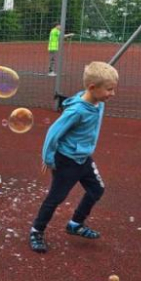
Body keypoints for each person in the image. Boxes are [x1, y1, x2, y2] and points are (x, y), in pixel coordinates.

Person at [29, 61, 119, 252]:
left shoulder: (97, 101)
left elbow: (84, 94)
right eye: (109, 89)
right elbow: (53, 133)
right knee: (56, 197)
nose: (113, 94)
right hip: (66, 161)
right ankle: (36, 230)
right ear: (93, 88)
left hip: (84, 158)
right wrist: (48, 159)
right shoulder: (76, 111)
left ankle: (75, 224)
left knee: (97, 189)